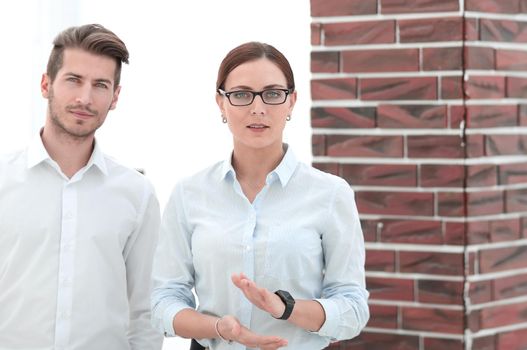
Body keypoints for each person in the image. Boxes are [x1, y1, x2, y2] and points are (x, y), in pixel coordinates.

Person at [151, 41, 369, 350]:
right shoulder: (189, 194)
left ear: (291, 102)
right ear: (220, 103)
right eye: (241, 94)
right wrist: (220, 328)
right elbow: (163, 300)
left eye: (272, 94)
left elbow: (354, 309)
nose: (258, 108)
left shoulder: (331, 194)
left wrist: (286, 308)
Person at [0, 24, 162, 350]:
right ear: (46, 83)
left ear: (115, 97)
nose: (84, 98)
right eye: (74, 80)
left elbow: (145, 310)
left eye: (100, 85)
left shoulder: (137, 194)